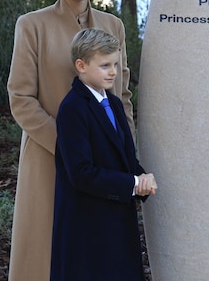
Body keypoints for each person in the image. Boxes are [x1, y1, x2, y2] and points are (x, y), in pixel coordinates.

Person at [6, 0, 134, 281]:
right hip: (50, 156)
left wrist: (124, 149)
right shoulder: (32, 25)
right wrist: (68, 144)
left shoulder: (114, 26)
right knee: (47, 251)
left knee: (99, 252)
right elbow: (20, 97)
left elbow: (121, 96)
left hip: (104, 161)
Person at [50, 28, 156, 280]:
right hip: (87, 223)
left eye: (116, 64)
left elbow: (126, 158)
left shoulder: (115, 104)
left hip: (117, 218)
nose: (113, 72)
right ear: (81, 65)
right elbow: (81, 173)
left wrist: (142, 176)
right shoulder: (72, 109)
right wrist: (132, 184)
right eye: (105, 65)